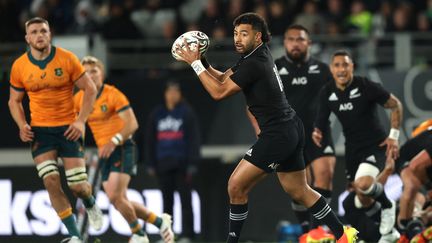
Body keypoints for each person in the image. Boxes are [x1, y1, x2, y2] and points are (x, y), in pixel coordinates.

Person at [174, 12, 358, 243]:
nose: (237, 39)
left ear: (258, 37)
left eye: (244, 34)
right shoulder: (255, 57)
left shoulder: (254, 63)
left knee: (235, 186)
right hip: (290, 129)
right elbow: (222, 79)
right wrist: (203, 61)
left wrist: (193, 64)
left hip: (278, 133)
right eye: (235, 34)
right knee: (299, 190)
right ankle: (343, 235)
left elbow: (218, 92)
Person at [8, 17, 102, 243]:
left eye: (43, 31)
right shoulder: (19, 66)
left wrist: (80, 121)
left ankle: (89, 202)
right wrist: (22, 125)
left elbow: (89, 89)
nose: (39, 35)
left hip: (68, 129)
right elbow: (14, 101)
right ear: (27, 38)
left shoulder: (67, 59)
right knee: (50, 181)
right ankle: (75, 236)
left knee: (78, 187)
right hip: (41, 132)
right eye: (34, 32)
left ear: (50, 34)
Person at [74, 56, 175, 243]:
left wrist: (113, 141)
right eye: (85, 72)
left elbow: (132, 123)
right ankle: (160, 222)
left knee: (115, 196)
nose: (90, 75)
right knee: (119, 200)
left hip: (122, 147)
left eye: (94, 71)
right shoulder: (79, 99)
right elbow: (76, 127)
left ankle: (138, 234)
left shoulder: (113, 94)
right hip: (104, 152)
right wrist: (78, 152)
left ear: (101, 74)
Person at [313, 50, 403, 242]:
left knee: (364, 184)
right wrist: (317, 131)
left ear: (352, 66)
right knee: (360, 198)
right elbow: (321, 121)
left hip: (375, 145)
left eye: (345, 64)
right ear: (331, 69)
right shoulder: (327, 92)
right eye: (337, 65)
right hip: (352, 151)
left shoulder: (365, 86)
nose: (341, 69)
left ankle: (388, 206)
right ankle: (388, 234)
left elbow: (395, 105)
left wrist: (394, 137)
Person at [275, 24, 337, 233]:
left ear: (309, 43)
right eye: (291, 39)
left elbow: (335, 99)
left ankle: (318, 230)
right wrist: (259, 129)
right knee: (299, 187)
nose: (295, 44)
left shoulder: (322, 70)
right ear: (284, 43)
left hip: (318, 132)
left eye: (300, 39)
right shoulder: (273, 69)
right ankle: (307, 230)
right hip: (289, 135)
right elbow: (252, 103)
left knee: (325, 173)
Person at [146, 81, 200, 242]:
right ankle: (168, 237)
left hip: (182, 164)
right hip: (163, 163)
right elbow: (150, 140)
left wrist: (193, 162)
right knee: (166, 203)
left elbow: (194, 139)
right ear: (165, 94)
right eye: (170, 91)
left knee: (186, 201)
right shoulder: (157, 114)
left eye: (176, 91)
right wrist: (150, 163)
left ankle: (187, 236)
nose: (173, 94)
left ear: (180, 94)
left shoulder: (187, 113)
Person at [394, 120, 432, 242]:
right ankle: (404, 232)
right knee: (412, 186)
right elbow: (414, 166)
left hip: (425, 167)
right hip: (406, 160)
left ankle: (419, 221)